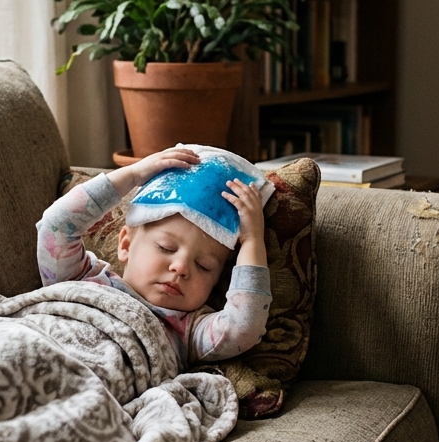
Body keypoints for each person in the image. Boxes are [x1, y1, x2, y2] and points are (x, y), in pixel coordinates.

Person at [37, 146, 272, 369]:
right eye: (166, 248)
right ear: (126, 244)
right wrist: (132, 174)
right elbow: (56, 226)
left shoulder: (189, 333)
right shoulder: (80, 277)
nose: (180, 267)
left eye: (204, 266)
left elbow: (244, 328)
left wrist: (252, 241)